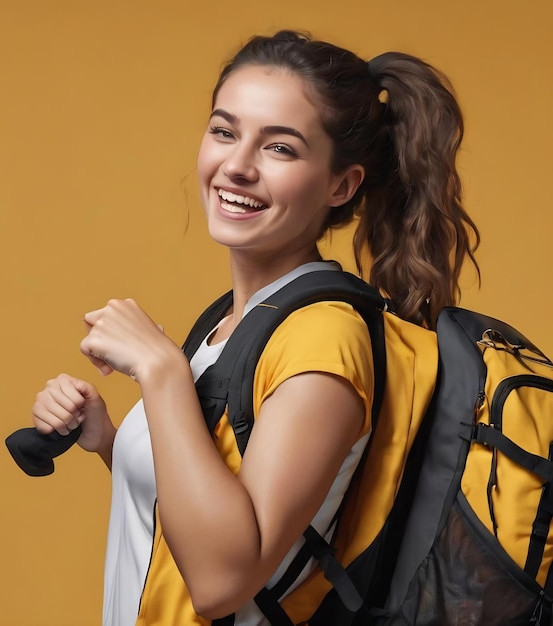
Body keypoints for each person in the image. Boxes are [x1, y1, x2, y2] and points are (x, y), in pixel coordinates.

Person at [30, 31, 479, 626]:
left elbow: (221, 580)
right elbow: (203, 513)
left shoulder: (323, 340)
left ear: (342, 185)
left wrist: (161, 371)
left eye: (281, 149)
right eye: (224, 131)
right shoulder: (241, 319)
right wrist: (114, 443)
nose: (236, 167)